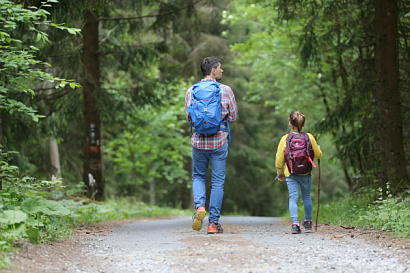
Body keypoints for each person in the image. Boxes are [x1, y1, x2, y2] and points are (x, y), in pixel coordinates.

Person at [185, 56, 238, 234]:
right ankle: (213, 224)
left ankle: (200, 207)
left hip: (199, 141)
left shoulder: (191, 90)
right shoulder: (225, 90)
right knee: (217, 182)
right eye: (220, 67)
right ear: (213, 70)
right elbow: (233, 117)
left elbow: (189, 118)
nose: (222, 70)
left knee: (198, 176)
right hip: (219, 141)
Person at [275, 110, 322, 234]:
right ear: (304, 124)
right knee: (306, 196)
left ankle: (295, 224)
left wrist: (279, 173)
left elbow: (279, 159)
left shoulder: (285, 138)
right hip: (306, 173)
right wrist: (319, 149)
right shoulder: (309, 137)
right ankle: (308, 222)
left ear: (290, 124)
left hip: (291, 173)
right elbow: (318, 155)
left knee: (293, 198)